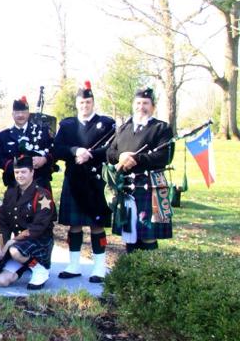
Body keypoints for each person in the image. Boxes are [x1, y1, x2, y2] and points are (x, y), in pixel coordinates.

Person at [53, 81, 116, 283]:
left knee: (97, 224)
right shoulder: (67, 125)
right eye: (81, 102)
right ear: (76, 103)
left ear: (93, 102)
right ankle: (73, 265)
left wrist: (91, 155)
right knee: (74, 225)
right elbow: (57, 149)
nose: (84, 105)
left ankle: (99, 267)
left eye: (88, 102)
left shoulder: (106, 124)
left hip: (95, 181)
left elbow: (112, 149)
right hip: (74, 179)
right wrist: (75, 151)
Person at [106, 88, 174, 253]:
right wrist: (122, 156)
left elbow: (165, 156)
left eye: (145, 103)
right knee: (130, 231)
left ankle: (148, 274)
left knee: (147, 233)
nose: (141, 107)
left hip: (150, 185)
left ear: (153, 107)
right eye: (138, 103)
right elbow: (110, 153)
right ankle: (131, 271)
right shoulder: (124, 128)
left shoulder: (161, 128)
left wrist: (135, 159)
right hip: (127, 186)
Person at [0, 156, 56, 290]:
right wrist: (3, 246)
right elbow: (3, 222)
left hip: (39, 241)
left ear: (32, 172)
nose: (19, 175)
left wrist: (12, 242)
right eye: (17, 172)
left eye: (23, 172)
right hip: (20, 244)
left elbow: (38, 228)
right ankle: (27, 264)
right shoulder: (10, 193)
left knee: (15, 251)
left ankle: (40, 269)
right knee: (1, 280)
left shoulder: (42, 195)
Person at [0, 95, 54, 190]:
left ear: (29, 114)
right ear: (12, 114)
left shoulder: (42, 131)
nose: (20, 115)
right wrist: (16, 166)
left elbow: (54, 151)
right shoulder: (3, 136)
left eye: (23, 112)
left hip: (40, 183)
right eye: (17, 112)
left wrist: (44, 159)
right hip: (15, 184)